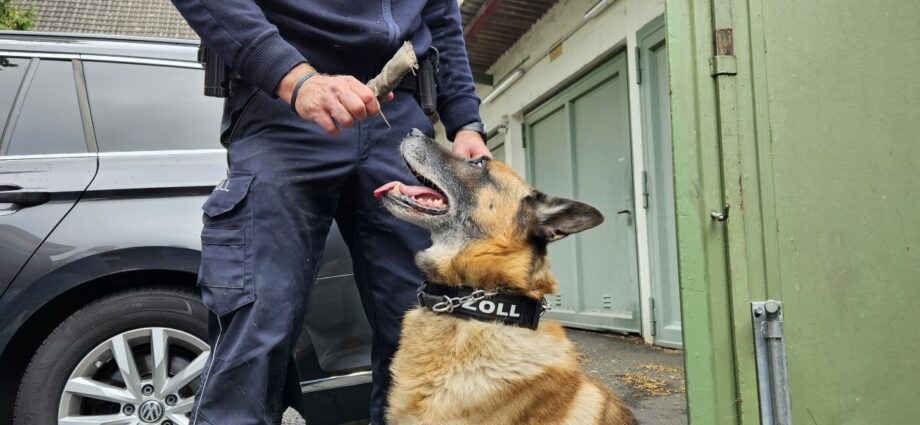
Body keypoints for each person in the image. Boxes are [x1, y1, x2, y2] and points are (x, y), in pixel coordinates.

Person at [168, 1, 490, 423]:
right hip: (284, 106)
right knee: (255, 336)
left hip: (398, 115)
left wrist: (466, 122)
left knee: (426, 334)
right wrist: (293, 77)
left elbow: (440, 17)